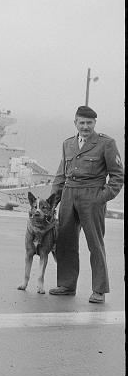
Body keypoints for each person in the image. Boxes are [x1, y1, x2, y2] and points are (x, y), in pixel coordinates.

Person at [48, 105, 124, 304]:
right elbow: (60, 174)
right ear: (75, 123)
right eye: (81, 122)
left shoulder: (106, 143)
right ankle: (66, 285)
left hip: (92, 196)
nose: (85, 126)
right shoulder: (68, 144)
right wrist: (52, 201)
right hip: (68, 196)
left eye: (89, 123)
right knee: (65, 242)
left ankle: (99, 290)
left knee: (95, 244)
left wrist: (102, 197)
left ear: (95, 123)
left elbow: (117, 176)